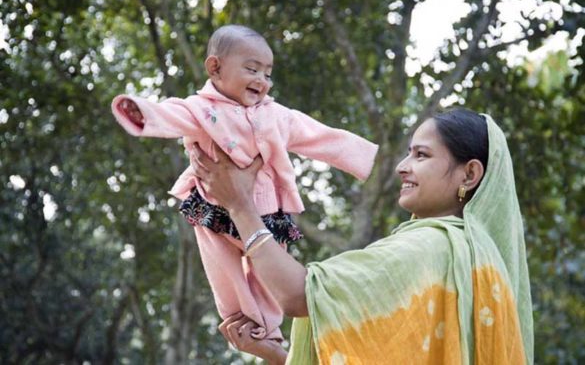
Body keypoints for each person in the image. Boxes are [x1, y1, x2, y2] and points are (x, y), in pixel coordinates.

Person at [189, 108, 534, 364]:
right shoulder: (481, 261)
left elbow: (298, 295)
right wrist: (277, 354)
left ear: (470, 174)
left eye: (421, 155)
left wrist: (240, 206)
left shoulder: (431, 246)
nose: (402, 166)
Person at [111, 24, 378, 341]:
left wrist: (370, 160)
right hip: (211, 207)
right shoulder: (201, 109)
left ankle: (268, 327)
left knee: (268, 280)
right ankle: (239, 320)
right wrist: (142, 112)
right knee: (222, 273)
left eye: (267, 74)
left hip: (264, 213)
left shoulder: (277, 115)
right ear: (215, 68)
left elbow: (321, 137)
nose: (261, 81)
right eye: (252, 69)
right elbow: (172, 113)